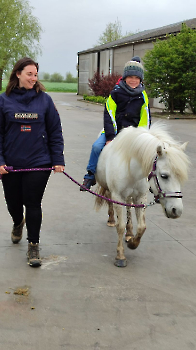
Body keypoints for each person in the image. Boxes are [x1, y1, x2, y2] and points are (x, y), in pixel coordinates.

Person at [0, 57, 65, 267]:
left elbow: (55, 131)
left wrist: (58, 159)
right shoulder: (3, 100)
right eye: (29, 74)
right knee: (13, 203)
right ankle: (18, 222)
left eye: (35, 75)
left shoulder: (44, 100)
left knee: (33, 202)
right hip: (10, 163)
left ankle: (33, 245)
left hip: (39, 161)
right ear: (18, 74)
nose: (33, 78)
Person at [80, 56, 151, 191]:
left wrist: (142, 136)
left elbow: (145, 118)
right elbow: (109, 114)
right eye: (130, 77)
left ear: (140, 79)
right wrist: (110, 137)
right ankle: (90, 175)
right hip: (115, 130)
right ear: (124, 78)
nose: (133, 80)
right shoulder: (116, 93)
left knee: (151, 153)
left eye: (136, 78)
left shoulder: (142, 96)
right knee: (96, 147)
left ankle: (151, 181)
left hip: (134, 134)